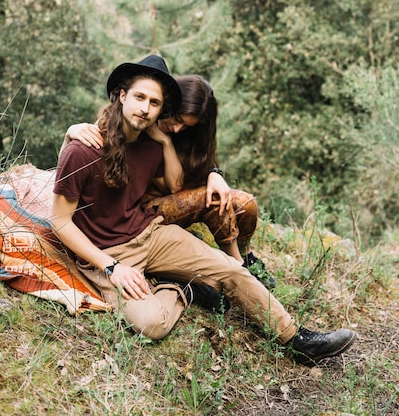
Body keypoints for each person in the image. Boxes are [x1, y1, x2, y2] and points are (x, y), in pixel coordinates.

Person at [52, 54, 357, 366]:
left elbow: (174, 185)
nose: (145, 108)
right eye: (140, 97)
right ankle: (183, 287)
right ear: (121, 95)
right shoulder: (83, 147)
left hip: (151, 233)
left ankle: (297, 339)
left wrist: (182, 153)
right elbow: (60, 221)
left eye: (154, 103)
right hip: (108, 254)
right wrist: (112, 268)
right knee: (151, 324)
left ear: (161, 110)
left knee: (232, 269)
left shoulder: (152, 142)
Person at [62, 74, 275, 289]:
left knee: (245, 204)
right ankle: (235, 265)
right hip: (142, 212)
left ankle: (245, 259)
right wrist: (71, 132)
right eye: (177, 120)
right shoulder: (139, 120)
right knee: (213, 200)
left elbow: (196, 165)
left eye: (186, 126)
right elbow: (98, 138)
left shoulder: (182, 134)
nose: (177, 129)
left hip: (173, 197)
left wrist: (214, 172)